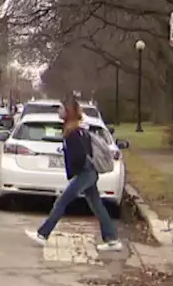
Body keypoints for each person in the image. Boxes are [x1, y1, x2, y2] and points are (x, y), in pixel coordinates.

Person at [24, 98, 122, 252]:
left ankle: (42, 234)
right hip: (89, 173)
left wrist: (75, 171)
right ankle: (112, 240)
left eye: (62, 108)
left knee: (61, 202)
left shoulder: (74, 132)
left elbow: (80, 156)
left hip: (86, 173)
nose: (59, 111)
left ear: (68, 112)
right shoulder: (76, 129)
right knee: (97, 205)